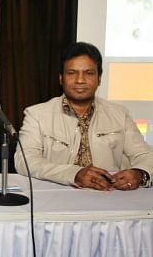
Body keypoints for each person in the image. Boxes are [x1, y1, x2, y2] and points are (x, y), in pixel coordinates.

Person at [14, 41, 153, 190]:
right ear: (61, 78)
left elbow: (145, 155)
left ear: (99, 78)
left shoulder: (119, 114)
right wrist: (73, 174)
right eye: (72, 73)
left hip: (108, 196)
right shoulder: (37, 114)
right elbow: (25, 160)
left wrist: (140, 173)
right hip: (57, 196)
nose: (80, 80)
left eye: (89, 73)